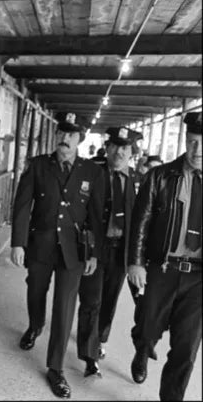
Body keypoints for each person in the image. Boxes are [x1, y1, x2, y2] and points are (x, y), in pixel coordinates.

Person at [11, 112, 105, 399]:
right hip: (40, 245)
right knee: (36, 292)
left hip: (74, 252)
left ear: (79, 140)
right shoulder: (39, 166)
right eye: (61, 134)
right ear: (56, 136)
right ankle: (35, 325)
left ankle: (56, 368)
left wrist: (94, 254)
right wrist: (17, 242)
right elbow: (23, 205)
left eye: (71, 136)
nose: (65, 140)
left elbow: (96, 216)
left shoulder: (92, 172)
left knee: (65, 308)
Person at [127, 112, 202, 401]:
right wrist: (136, 262)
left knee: (186, 348)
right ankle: (142, 350)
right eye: (194, 142)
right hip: (163, 268)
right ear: (186, 140)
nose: (198, 151)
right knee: (147, 329)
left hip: (198, 278)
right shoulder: (160, 176)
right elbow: (141, 220)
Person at [77, 127, 142, 378]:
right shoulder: (93, 173)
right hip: (95, 247)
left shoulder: (138, 180)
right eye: (115, 146)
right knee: (91, 301)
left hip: (121, 251)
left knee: (109, 300)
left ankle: (100, 338)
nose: (120, 152)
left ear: (131, 152)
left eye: (125, 148)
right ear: (108, 147)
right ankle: (89, 356)